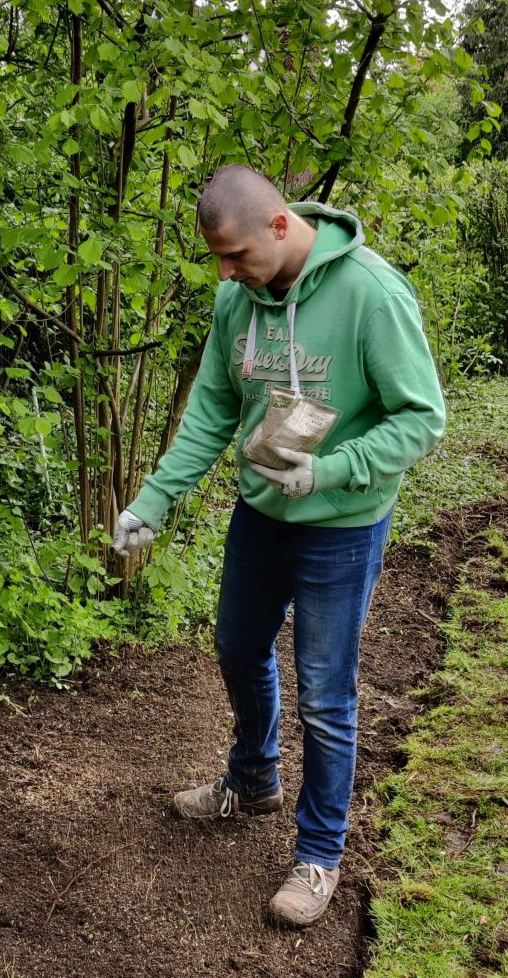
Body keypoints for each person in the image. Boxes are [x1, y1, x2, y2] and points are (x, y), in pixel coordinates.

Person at [112, 165, 446, 928]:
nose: (227, 275)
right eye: (218, 262)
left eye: (236, 256)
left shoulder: (371, 293)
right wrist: (154, 502)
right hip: (260, 516)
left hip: (343, 525)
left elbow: (422, 418)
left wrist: (330, 470)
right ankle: (253, 779)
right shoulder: (238, 299)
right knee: (236, 646)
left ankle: (320, 853)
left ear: (280, 227)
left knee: (326, 695)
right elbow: (213, 410)